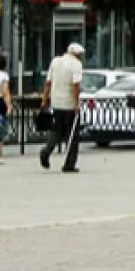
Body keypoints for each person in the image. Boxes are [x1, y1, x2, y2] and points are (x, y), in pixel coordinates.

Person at [40, 43, 85, 173]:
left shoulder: (55, 61)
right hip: (69, 104)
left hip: (56, 102)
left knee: (57, 129)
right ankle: (69, 164)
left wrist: (44, 99)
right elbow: (75, 85)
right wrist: (76, 104)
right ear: (77, 54)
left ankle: (46, 150)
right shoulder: (76, 64)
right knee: (72, 135)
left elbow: (48, 82)